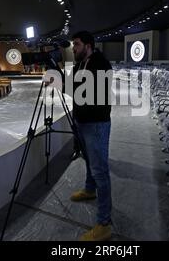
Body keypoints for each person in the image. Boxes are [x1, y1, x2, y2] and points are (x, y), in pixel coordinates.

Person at [67, 31, 113, 241]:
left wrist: (68, 84)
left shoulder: (101, 64)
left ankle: (104, 224)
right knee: (88, 162)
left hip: (96, 124)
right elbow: (72, 89)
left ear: (88, 45)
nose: (73, 48)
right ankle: (89, 189)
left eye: (76, 44)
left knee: (99, 169)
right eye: (73, 45)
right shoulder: (79, 65)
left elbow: (87, 92)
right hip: (82, 122)